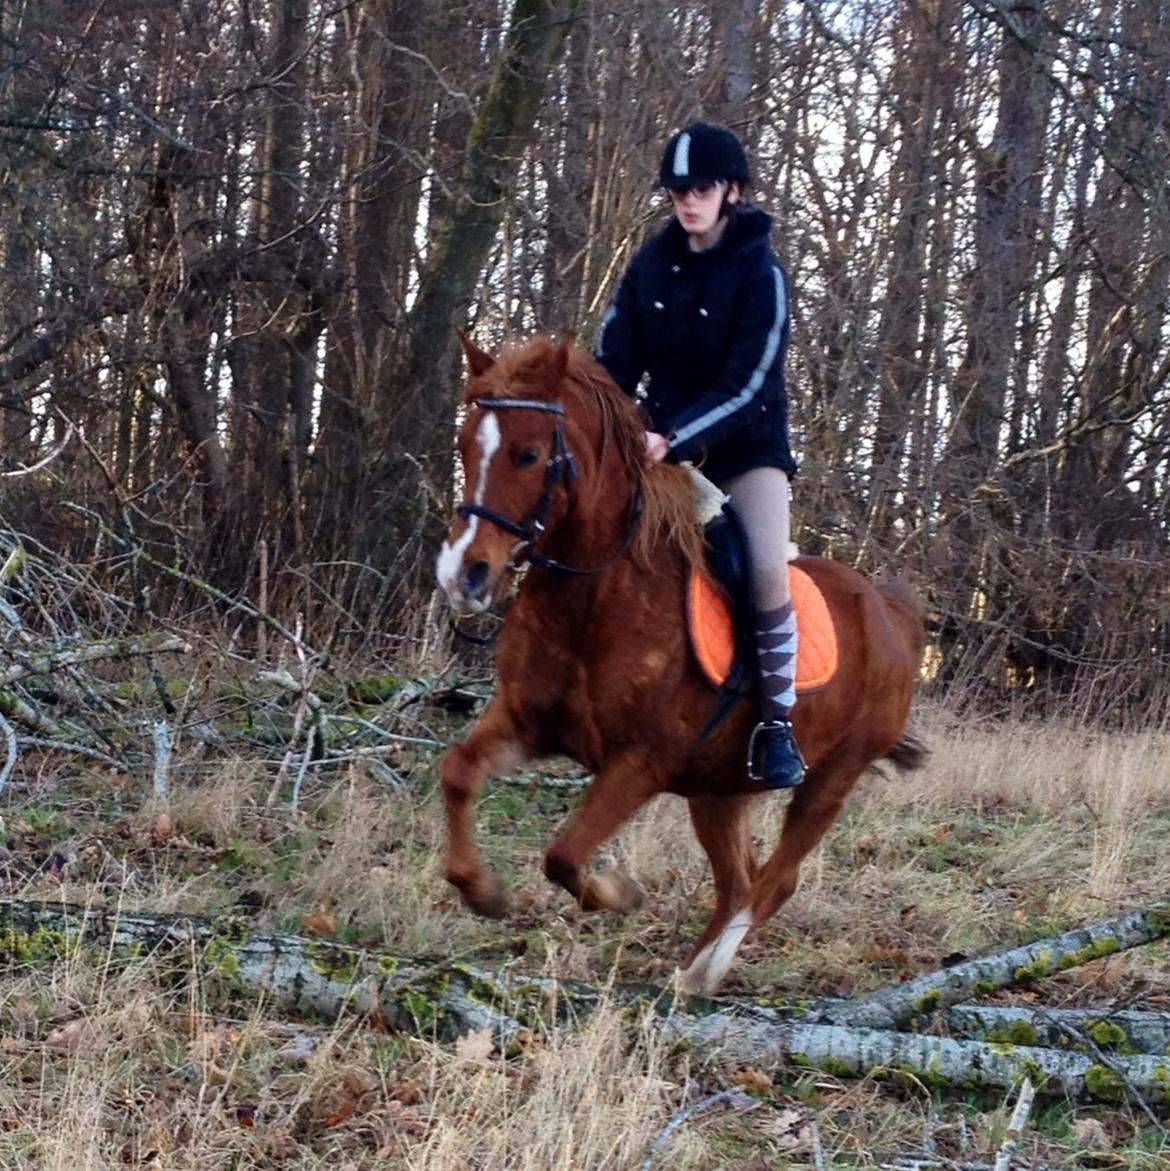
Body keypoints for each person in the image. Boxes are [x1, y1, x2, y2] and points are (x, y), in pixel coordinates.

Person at [594, 121, 804, 789]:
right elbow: (613, 362)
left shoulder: (762, 274)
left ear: (731, 191)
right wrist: (598, 419)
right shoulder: (650, 264)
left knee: (766, 569)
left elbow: (747, 385)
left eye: (702, 188)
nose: (688, 200)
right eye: (678, 189)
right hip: (658, 445)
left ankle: (777, 724)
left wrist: (672, 437)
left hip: (746, 450)